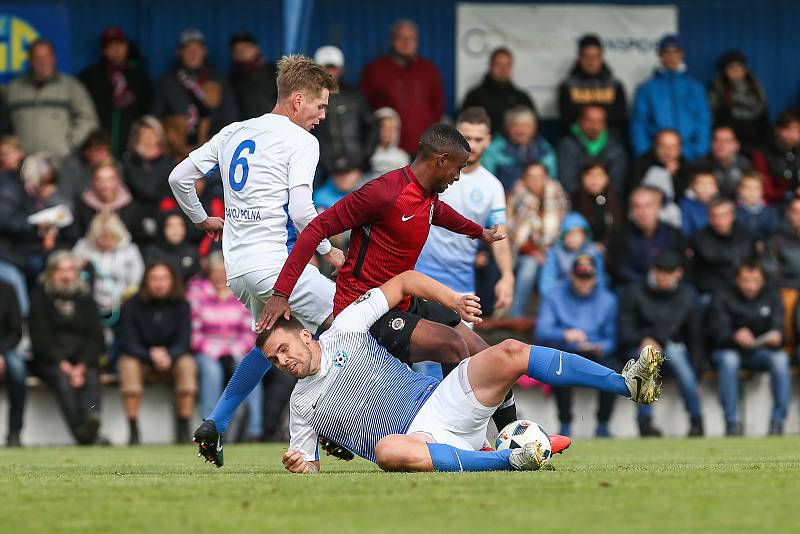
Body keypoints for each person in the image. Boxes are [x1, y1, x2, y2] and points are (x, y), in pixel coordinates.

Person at [257, 123, 516, 454]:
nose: (458, 176)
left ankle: (513, 435)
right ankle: (457, 438)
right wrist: (281, 293)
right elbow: (317, 227)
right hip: (364, 308)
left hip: (402, 299)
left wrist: (479, 232)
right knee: (451, 346)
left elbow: (438, 213)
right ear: (440, 160)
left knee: (481, 349)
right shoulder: (383, 192)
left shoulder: (428, 195)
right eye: (458, 167)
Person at [268, 270, 663, 474]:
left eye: (283, 349)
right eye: (274, 360)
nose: (283, 361)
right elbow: (311, 466)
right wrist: (302, 466)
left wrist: (454, 300)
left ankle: (628, 383)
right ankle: (508, 460)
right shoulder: (301, 404)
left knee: (509, 350)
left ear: (305, 334)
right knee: (387, 450)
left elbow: (405, 280)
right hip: (418, 441)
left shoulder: (346, 327)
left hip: (440, 402)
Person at [168, 55, 343, 460]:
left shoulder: (234, 131)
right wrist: (327, 250)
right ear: (297, 100)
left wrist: (201, 220)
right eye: (320, 106)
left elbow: (178, 177)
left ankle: (216, 422)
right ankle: (337, 423)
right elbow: (302, 212)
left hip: (239, 271)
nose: (321, 116)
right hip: (277, 266)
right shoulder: (301, 141)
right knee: (352, 323)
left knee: (273, 348)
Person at [416, 108, 514, 320]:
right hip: (420, 277)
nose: (473, 145)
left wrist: (507, 276)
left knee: (460, 351)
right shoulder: (431, 173)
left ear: (488, 140)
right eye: (467, 138)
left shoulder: (492, 186)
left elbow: (500, 237)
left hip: (461, 286)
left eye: (479, 139)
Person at [618, 250, 704, 437]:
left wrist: (697, 373)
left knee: (677, 355)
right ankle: (646, 423)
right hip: (638, 349)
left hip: (675, 350)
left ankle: (697, 421)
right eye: (660, 271)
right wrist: (644, 339)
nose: (664, 277)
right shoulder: (633, 292)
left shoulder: (688, 296)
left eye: (669, 272)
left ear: (678, 273)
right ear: (653, 270)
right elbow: (624, 332)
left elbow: (696, 338)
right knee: (647, 356)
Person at [535, 255, 619, 437]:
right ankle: (565, 424)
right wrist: (564, 334)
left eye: (588, 277)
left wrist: (600, 346)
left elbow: (612, 338)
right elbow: (542, 331)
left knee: (613, 369)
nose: (584, 282)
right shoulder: (554, 295)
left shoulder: (608, 300)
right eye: (580, 277)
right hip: (566, 349)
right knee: (558, 368)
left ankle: (603, 425)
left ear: (596, 278)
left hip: (596, 351)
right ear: (571, 276)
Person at [29, 251, 105, 445]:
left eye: (70, 270)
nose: (65, 275)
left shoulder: (85, 298)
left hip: (82, 359)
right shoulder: (40, 297)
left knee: (92, 374)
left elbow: (95, 337)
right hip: (51, 361)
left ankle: (91, 419)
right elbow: (40, 338)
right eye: (60, 270)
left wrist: (80, 366)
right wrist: (64, 365)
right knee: (61, 379)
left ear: (77, 273)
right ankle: (84, 432)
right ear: (51, 273)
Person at [118, 260, 196, 444]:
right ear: (146, 281)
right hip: (141, 359)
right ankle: (133, 431)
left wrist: (169, 355)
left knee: (187, 364)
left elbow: (185, 340)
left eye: (164, 279)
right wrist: (150, 355)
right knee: (127, 365)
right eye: (154, 279)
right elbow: (127, 341)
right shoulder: (131, 305)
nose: (159, 283)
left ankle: (183, 429)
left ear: (172, 281)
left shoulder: (182, 304)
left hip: (172, 359)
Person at [187, 252, 262, 441]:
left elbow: (249, 330)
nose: (221, 276)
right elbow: (194, 332)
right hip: (206, 350)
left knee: (250, 367)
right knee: (212, 371)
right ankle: (210, 425)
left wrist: (234, 349)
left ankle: (255, 429)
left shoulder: (241, 291)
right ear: (209, 273)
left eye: (224, 271)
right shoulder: (196, 292)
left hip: (237, 347)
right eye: (216, 272)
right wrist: (215, 350)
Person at [710, 262, 789, 436]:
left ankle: (778, 423)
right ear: (736, 280)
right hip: (727, 350)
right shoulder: (722, 294)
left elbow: (780, 329)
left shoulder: (772, 295)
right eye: (745, 280)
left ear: (763, 281)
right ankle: (732, 423)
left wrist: (777, 337)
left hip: (760, 352)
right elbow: (715, 333)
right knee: (729, 360)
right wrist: (734, 335)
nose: (750, 286)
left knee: (781, 359)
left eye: (755, 281)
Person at [359, 19, 445, 156]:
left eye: (411, 38)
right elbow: (363, 108)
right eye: (401, 38)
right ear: (392, 40)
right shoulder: (375, 69)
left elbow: (438, 107)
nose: (406, 43)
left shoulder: (428, 70)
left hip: (423, 148)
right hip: (387, 150)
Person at [7, 39, 98, 164]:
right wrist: (11, 149)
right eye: (37, 57)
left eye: (46, 56)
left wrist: (68, 145)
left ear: (54, 58)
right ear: (30, 61)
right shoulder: (14, 88)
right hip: (21, 164)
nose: (42, 62)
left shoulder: (71, 86)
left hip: (61, 163)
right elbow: (5, 125)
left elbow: (89, 120)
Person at [152, 29, 238, 160]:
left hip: (212, 153)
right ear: (179, 53)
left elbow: (230, 117)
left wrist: (214, 145)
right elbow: (155, 119)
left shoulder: (218, 79)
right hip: (175, 155)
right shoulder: (167, 81)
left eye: (198, 48)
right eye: (188, 49)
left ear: (205, 51)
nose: (193, 53)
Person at [630, 35, 710, 161]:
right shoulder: (647, 89)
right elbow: (639, 124)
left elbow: (703, 121)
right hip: (656, 155)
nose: (671, 57)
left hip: (689, 156)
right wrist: (646, 153)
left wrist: (698, 151)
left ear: (682, 54)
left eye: (676, 52)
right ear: (660, 55)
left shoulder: (695, 88)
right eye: (667, 52)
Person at [506, 162, 569, 318]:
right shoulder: (517, 196)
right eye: (531, 177)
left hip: (553, 248)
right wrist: (534, 252)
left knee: (554, 264)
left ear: (547, 178)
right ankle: (515, 314)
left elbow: (564, 228)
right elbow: (511, 232)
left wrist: (549, 252)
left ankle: (552, 316)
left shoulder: (557, 194)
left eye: (540, 176)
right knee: (530, 265)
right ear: (524, 179)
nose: (536, 181)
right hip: (521, 253)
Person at [79, 27, 151, 156]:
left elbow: (146, 108)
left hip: (132, 142)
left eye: (120, 45)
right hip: (101, 142)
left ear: (126, 46)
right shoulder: (92, 75)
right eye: (111, 46)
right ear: (103, 50)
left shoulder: (138, 74)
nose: (116, 50)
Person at [313, 45, 377, 179]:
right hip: (321, 173)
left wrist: (361, 160)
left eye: (333, 67)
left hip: (357, 171)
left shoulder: (355, 95)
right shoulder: (309, 97)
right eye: (325, 68)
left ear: (340, 69)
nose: (329, 72)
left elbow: (371, 127)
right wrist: (321, 164)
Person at [608, 186, 686, 288]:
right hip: (634, 288)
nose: (643, 212)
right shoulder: (620, 235)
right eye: (637, 207)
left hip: (670, 287)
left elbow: (682, 265)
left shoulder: (674, 234)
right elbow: (619, 269)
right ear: (631, 211)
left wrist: (665, 280)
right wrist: (650, 282)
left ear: (658, 207)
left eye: (648, 206)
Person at [72, 212, 144, 321]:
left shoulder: (130, 251)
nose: (104, 241)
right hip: (88, 304)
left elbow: (136, 282)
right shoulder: (82, 248)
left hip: (122, 305)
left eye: (109, 236)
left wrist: (124, 298)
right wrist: (78, 267)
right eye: (100, 237)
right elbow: (70, 273)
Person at [558, 34, 627, 134]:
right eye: (587, 56)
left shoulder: (615, 85)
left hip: (609, 139)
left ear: (602, 57)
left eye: (596, 56)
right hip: (577, 138)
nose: (592, 61)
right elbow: (567, 119)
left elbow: (619, 118)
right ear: (580, 58)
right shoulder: (567, 86)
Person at [461, 47, 537, 136]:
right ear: (491, 66)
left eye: (507, 65)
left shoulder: (522, 98)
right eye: (499, 64)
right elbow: (464, 127)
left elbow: (534, 129)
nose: (503, 69)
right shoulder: (475, 97)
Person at [689, 198, 755, 296]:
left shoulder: (746, 236)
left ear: (732, 216)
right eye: (714, 216)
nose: (719, 221)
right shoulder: (698, 238)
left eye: (724, 215)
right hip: (711, 290)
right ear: (709, 218)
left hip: (741, 289)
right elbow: (693, 270)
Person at [482, 106, 557, 191]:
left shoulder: (544, 149)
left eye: (526, 126)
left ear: (534, 127)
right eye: (515, 125)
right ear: (507, 127)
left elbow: (552, 178)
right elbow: (486, 181)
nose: (521, 130)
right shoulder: (494, 149)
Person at [708, 50, 769, 152]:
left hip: (756, 145)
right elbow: (714, 121)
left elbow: (764, 119)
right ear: (725, 70)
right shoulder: (717, 90)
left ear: (745, 69)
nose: (736, 70)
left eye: (739, 66)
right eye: (731, 67)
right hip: (728, 147)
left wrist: (761, 145)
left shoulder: (757, 89)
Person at [557, 105, 627, 193]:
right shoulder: (567, 145)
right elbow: (567, 181)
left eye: (599, 121)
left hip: (607, 201)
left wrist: (600, 200)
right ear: (580, 122)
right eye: (589, 121)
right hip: (576, 200)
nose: (593, 126)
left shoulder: (616, 147)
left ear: (605, 125)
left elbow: (617, 183)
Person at [538, 212, 606, 295]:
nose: (574, 238)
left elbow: (601, 283)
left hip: (588, 298)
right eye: (570, 234)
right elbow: (546, 285)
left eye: (578, 234)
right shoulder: (555, 252)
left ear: (585, 235)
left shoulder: (594, 251)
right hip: (562, 298)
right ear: (563, 236)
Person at [570, 161, 623, 251]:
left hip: (610, 250)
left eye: (599, 175)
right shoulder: (573, 199)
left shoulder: (616, 200)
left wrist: (606, 245)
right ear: (582, 178)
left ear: (607, 178)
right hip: (579, 250)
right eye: (589, 174)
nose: (594, 179)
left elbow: (619, 230)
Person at [74, 162, 137, 237]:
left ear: (118, 180)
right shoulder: (82, 206)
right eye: (100, 180)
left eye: (110, 179)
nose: (106, 185)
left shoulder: (132, 206)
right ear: (93, 182)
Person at [58, 129, 118, 207]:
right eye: (98, 150)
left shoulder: (114, 167)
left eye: (106, 150)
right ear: (87, 151)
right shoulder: (71, 166)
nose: (103, 155)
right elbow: (65, 196)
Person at [627, 129, 691, 202]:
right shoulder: (641, 164)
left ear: (680, 149)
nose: (668, 151)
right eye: (663, 146)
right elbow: (632, 192)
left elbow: (681, 197)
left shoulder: (685, 165)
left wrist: (673, 176)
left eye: (674, 146)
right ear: (655, 147)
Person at [751, 111, 800, 205]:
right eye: (789, 129)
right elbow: (767, 191)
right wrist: (790, 193)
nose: (794, 134)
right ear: (777, 129)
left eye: (798, 130)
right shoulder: (762, 153)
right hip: (774, 205)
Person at [228, 31, 278, 120]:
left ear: (256, 49)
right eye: (237, 49)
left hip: (274, 127)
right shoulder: (231, 79)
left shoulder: (276, 72)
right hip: (246, 130)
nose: (242, 52)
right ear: (232, 55)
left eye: (246, 48)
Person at [0, 280, 26, 447]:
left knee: (17, 368)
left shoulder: (7, 288)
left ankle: (14, 432)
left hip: (5, 349)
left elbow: (16, 330)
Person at [697, 125, 752, 199]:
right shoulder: (700, 166)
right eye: (717, 140)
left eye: (726, 141)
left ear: (736, 145)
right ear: (711, 144)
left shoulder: (745, 166)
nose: (721, 144)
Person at [145, 212, 200, 282]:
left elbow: (197, 281)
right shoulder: (153, 252)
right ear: (162, 229)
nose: (175, 229)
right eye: (170, 225)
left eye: (180, 225)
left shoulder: (193, 252)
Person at [766, 196, 800, 289]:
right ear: (789, 213)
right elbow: (770, 269)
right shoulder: (776, 240)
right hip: (788, 289)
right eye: (796, 212)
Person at [736, 171, 779, 242]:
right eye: (747, 188)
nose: (752, 191)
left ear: (762, 191)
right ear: (740, 190)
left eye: (756, 188)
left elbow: (775, 236)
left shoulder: (771, 212)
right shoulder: (733, 212)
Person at [368, 107, 410, 177]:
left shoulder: (402, 157)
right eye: (383, 127)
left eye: (391, 128)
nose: (387, 132)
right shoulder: (367, 154)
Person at [678, 167, 719, 237]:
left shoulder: (721, 204)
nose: (705, 187)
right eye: (700, 183)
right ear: (692, 186)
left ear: (716, 187)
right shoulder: (685, 205)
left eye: (710, 184)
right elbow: (685, 231)